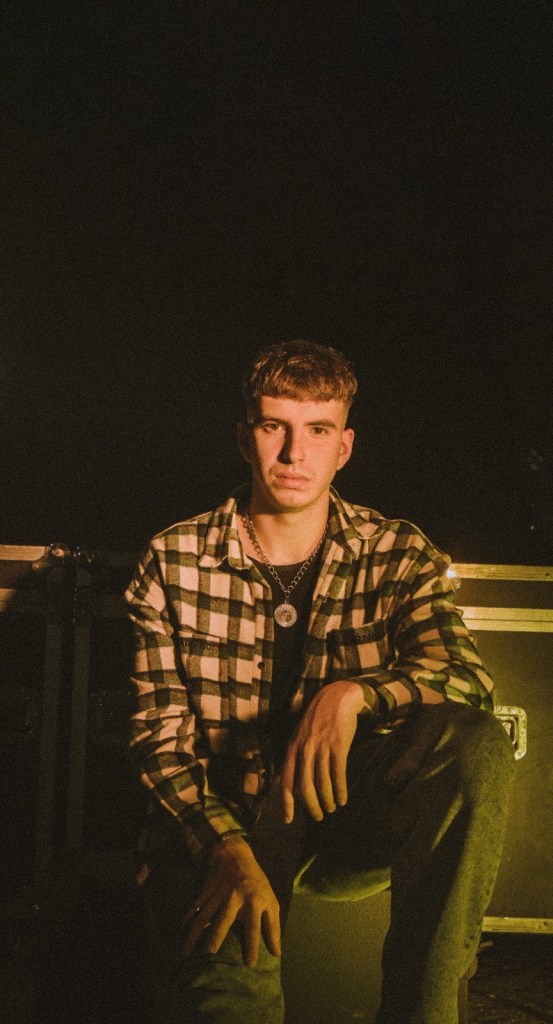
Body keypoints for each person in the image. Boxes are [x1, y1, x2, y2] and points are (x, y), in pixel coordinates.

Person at [125, 338, 514, 1024]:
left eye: (317, 431)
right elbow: (160, 740)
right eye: (273, 427)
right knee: (230, 1003)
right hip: (228, 822)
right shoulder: (174, 559)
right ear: (244, 439)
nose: (292, 454)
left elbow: (467, 679)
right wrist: (225, 848)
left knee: (474, 742)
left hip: (345, 818)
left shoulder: (395, 551)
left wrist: (353, 694)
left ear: (344, 447)